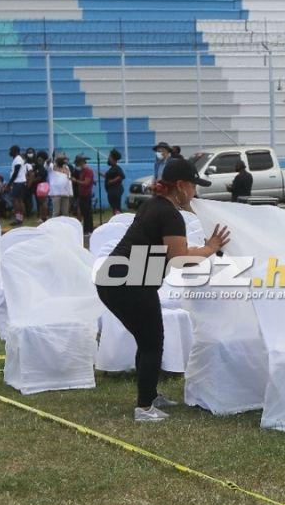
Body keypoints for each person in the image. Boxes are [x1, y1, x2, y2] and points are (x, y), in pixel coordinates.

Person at [97, 158, 230, 422]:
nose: (194, 192)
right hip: (128, 283)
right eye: (193, 185)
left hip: (116, 280)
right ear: (180, 186)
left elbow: (173, 252)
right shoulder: (169, 214)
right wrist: (211, 247)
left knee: (147, 339)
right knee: (152, 342)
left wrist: (205, 248)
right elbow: (181, 258)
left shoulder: (154, 205)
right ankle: (145, 408)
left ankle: (150, 394)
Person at [5, 145, 29, 225]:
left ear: (15, 151)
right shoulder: (17, 159)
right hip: (19, 182)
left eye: (11, 150)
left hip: (18, 182)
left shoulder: (18, 159)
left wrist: (9, 184)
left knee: (16, 201)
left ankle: (19, 219)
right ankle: (20, 218)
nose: (9, 152)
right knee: (18, 200)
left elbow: (15, 173)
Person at [71, 154, 95, 234]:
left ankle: (89, 230)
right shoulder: (82, 172)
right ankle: (86, 229)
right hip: (82, 195)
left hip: (86, 195)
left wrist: (76, 181)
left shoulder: (88, 171)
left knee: (87, 213)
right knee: (84, 213)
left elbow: (86, 183)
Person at [102, 148, 126, 215]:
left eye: (109, 157)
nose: (108, 158)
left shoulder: (117, 168)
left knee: (116, 208)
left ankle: (119, 220)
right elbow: (109, 176)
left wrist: (112, 181)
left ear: (113, 158)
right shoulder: (112, 168)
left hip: (115, 190)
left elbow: (122, 176)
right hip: (111, 190)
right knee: (114, 208)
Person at [32, 150, 50, 223]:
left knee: (43, 202)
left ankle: (44, 217)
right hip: (39, 186)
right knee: (41, 203)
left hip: (42, 186)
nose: (38, 161)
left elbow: (39, 178)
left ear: (43, 161)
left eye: (40, 160)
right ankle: (42, 216)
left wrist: (32, 180)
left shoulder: (43, 169)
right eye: (38, 160)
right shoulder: (38, 168)